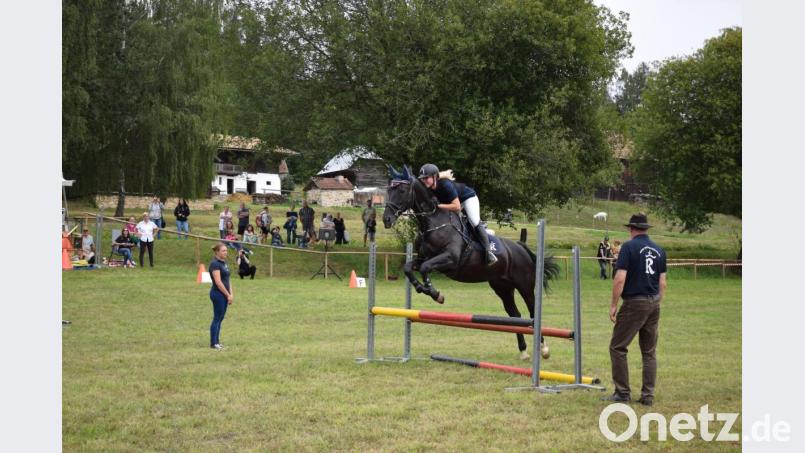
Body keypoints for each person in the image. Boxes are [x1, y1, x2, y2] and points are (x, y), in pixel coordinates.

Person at [602, 213, 667, 406]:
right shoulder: (659, 250)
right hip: (654, 302)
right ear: (646, 229)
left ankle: (622, 393)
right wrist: (656, 303)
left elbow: (620, 278)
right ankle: (648, 395)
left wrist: (614, 304)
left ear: (631, 229)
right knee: (649, 351)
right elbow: (662, 283)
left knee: (618, 347)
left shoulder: (628, 247)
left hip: (634, 302)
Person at [417, 163, 497, 266]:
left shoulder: (445, 184)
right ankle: (485, 232)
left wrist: (440, 206)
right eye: (422, 179)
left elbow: (457, 206)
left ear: (434, 177)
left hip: (467, 199)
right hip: (453, 203)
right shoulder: (430, 187)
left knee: (474, 221)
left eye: (426, 178)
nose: (424, 181)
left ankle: (489, 252)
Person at [208, 243, 233, 350]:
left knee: (221, 318)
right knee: (217, 318)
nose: (225, 252)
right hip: (218, 294)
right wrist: (227, 295)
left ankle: (217, 341)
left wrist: (231, 294)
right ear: (217, 252)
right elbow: (218, 282)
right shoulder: (215, 264)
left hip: (225, 294)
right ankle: (213, 343)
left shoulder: (224, 263)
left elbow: (228, 280)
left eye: (226, 250)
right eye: (223, 251)